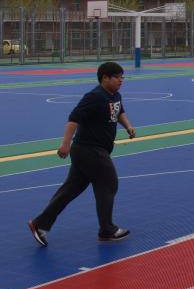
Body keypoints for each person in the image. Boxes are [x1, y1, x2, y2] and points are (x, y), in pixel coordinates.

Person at [28, 62, 136, 247]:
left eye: (122, 77)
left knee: (70, 190)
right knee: (108, 183)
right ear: (104, 78)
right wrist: (65, 144)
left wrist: (128, 126)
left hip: (90, 152)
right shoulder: (94, 97)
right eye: (117, 77)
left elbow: (119, 112)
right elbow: (73, 119)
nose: (121, 80)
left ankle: (40, 224)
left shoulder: (115, 96)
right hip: (89, 150)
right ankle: (107, 229)